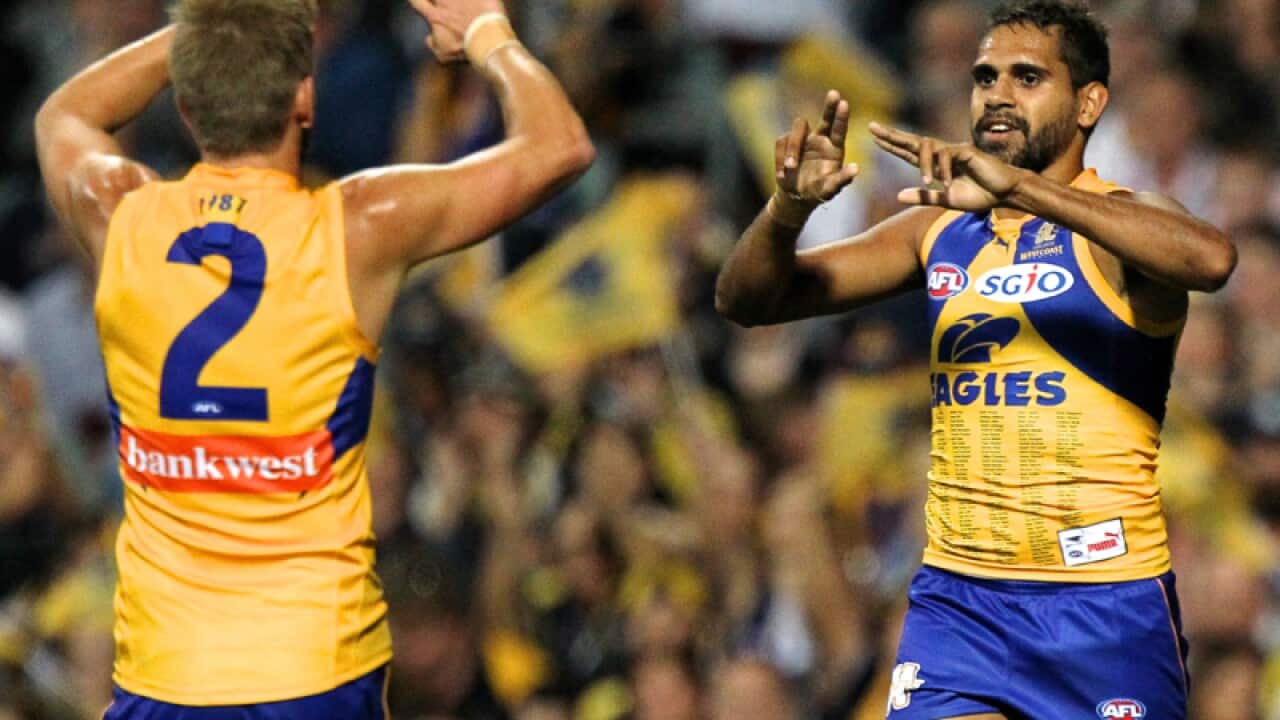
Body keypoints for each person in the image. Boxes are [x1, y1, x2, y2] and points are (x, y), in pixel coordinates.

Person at [33, 0, 593, 716]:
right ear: (304, 96)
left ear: (187, 102)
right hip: (315, 673)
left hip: (167, 675)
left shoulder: (119, 214)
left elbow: (64, 114)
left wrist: (212, 34)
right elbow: (559, 146)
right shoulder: (358, 228)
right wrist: (487, 29)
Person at [715, 1, 1236, 718]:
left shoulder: (1122, 223)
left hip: (1102, 601)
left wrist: (1017, 186)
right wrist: (785, 212)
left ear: (1089, 103)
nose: (997, 93)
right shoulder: (938, 230)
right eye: (985, 76)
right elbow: (750, 300)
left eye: (1027, 77)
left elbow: (1212, 259)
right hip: (961, 605)